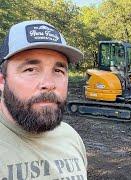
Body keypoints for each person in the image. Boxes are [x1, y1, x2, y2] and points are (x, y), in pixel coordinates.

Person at [0, 20, 87, 179]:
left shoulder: (71, 137)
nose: (49, 84)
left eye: (58, 70)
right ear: (2, 81)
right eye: (30, 69)